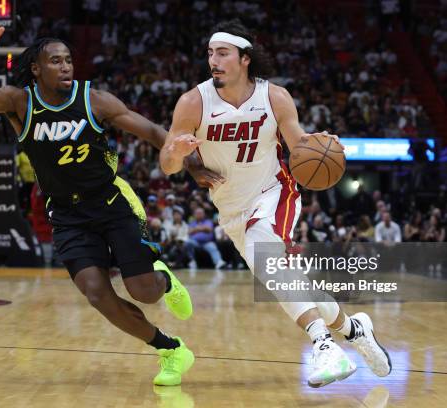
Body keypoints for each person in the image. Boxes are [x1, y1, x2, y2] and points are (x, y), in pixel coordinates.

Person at [0, 23, 219, 386]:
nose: (66, 66)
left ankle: (164, 280)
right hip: (67, 215)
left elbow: (151, 131)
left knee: (144, 291)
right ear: (37, 69)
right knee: (97, 294)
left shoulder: (94, 100)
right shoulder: (21, 103)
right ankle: (172, 350)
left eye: (68, 60)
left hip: (112, 202)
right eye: (55, 61)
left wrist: (189, 164)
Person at [160, 20, 391, 388]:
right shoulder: (193, 102)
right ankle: (353, 328)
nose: (213, 61)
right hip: (231, 209)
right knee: (286, 276)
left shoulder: (274, 96)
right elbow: (167, 165)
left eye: (222, 53)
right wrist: (175, 153)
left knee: (266, 256)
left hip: (274, 193)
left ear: (245, 58)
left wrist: (322, 143)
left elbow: (301, 147)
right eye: (209, 54)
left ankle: (324, 346)